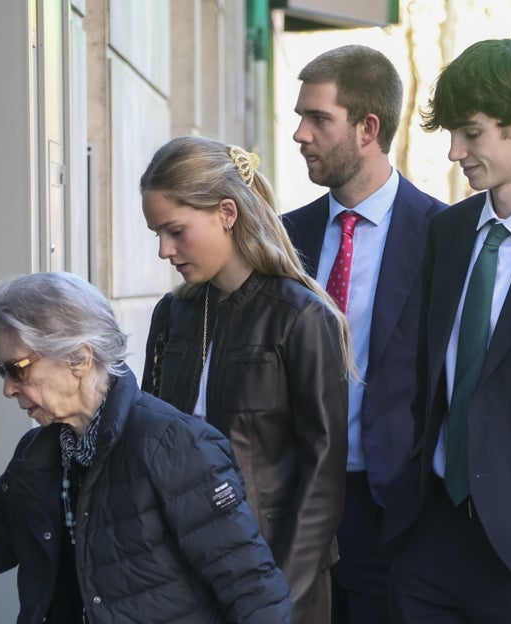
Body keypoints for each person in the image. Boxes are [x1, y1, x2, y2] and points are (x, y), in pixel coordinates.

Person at [0, 271, 292, 623]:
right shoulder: (38, 454)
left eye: (17, 369)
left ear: (79, 358)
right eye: (2, 371)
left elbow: (253, 592)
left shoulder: (173, 444)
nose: (8, 388)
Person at [384, 38, 511, 623]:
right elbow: (428, 384)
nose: (454, 152)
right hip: (432, 542)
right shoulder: (448, 233)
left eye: (471, 133)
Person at [140, 135, 349, 624]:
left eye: (175, 231)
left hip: (276, 573)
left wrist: (279, 598)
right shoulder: (173, 314)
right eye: (157, 234)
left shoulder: (300, 316)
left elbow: (323, 475)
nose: (164, 251)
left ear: (226, 213)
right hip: (184, 574)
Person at [283, 44, 445, 624]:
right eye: (299, 116)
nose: (299, 133)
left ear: (367, 128)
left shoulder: (440, 235)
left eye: (318, 118)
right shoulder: (285, 237)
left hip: (390, 508)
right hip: (296, 497)